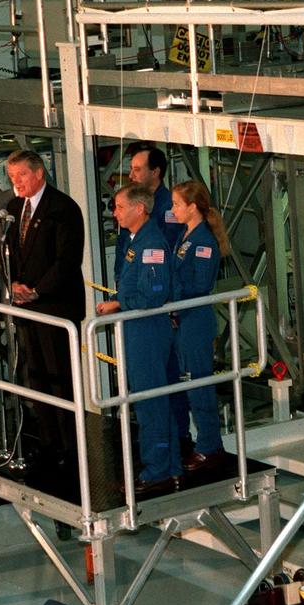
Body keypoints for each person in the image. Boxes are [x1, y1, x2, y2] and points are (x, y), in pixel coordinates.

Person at [3, 149, 86, 471]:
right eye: (12, 177)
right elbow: (7, 253)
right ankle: (49, 441)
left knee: (60, 377)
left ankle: (71, 445)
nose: (17, 182)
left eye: (21, 175)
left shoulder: (63, 208)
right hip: (27, 308)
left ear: (39, 173)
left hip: (56, 306)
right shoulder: (13, 209)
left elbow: (67, 261)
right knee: (37, 376)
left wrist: (37, 290)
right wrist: (13, 284)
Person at [96, 184, 179, 494]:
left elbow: (152, 295)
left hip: (147, 330)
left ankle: (157, 470)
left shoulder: (151, 244)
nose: (114, 213)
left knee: (149, 402)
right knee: (152, 399)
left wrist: (119, 303)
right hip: (137, 328)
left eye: (119, 207)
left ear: (139, 209)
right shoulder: (136, 241)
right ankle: (169, 465)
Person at [113, 142, 191, 454]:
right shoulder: (135, 226)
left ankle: (169, 451)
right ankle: (163, 452)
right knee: (149, 392)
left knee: (157, 390)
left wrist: (122, 302)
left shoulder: (164, 215)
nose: (131, 174)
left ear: (155, 172)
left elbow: (159, 277)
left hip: (153, 317)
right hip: (139, 314)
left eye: (137, 169)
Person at [168, 181, 231, 472]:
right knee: (188, 382)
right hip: (183, 319)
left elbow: (200, 283)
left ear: (192, 207)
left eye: (177, 204)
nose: (173, 210)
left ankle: (210, 445)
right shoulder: (185, 235)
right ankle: (200, 441)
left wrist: (174, 297)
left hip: (195, 319)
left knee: (199, 384)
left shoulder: (203, 241)